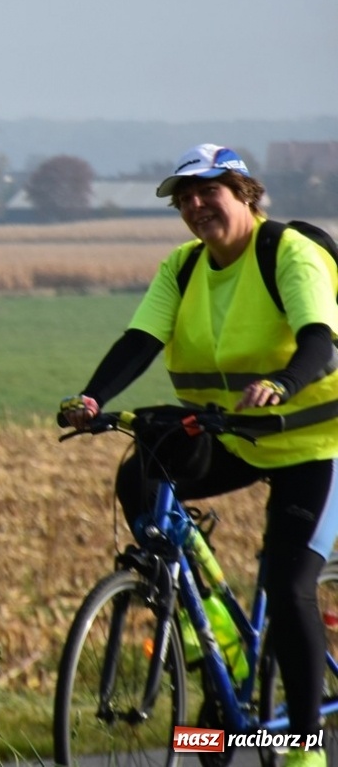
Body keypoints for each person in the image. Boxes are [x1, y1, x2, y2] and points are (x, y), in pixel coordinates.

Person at [61, 144, 338, 765]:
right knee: (141, 478)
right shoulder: (183, 268)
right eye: (182, 198)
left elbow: (320, 336)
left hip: (318, 444)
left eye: (206, 192)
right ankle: (212, 635)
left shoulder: (291, 253)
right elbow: (141, 338)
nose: (193, 206)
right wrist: (91, 396)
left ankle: (303, 749)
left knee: (291, 582)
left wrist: (286, 383)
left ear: (244, 193)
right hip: (237, 436)